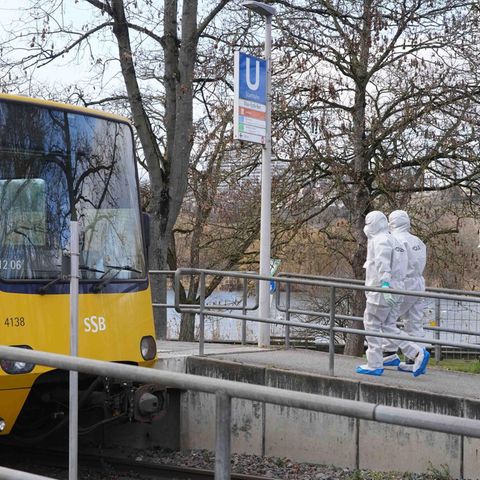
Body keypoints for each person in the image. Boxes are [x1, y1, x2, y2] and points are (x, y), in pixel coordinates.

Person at [355, 211, 429, 377]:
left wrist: (386, 285)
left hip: (383, 289)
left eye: (368, 223)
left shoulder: (382, 240)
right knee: (394, 325)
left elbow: (382, 266)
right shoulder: (407, 241)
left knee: (372, 324)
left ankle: (375, 363)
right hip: (406, 286)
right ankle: (416, 353)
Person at [382, 210, 428, 372]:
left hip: (402, 283)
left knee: (388, 319)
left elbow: (392, 264)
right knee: (414, 322)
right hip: (419, 284)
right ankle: (416, 359)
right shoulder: (418, 241)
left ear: (391, 222)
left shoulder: (393, 240)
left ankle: (388, 354)